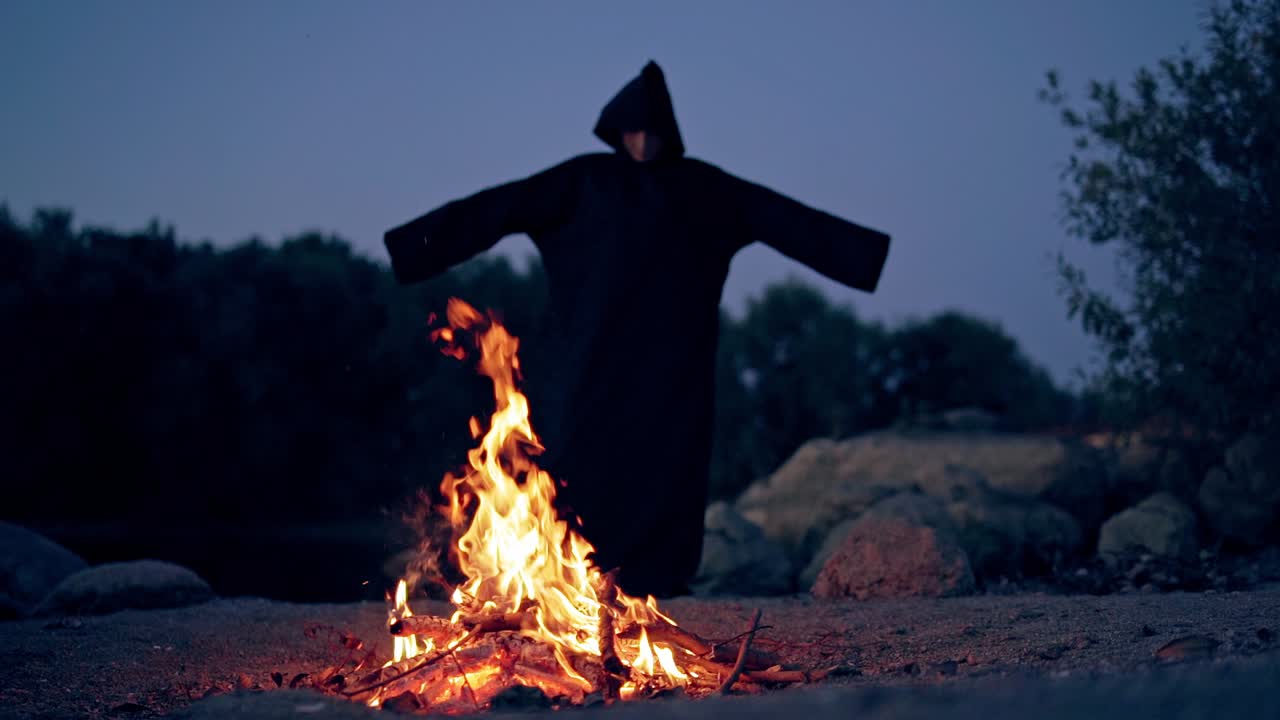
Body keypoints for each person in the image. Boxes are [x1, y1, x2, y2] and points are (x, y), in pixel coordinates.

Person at [385, 60, 890, 597]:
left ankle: (658, 583)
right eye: (635, 130)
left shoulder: (705, 191)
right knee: (575, 467)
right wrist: (415, 248)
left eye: (654, 132)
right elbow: (496, 209)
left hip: (672, 372)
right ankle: (566, 578)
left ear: (670, 133)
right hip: (581, 365)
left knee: (666, 471)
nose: (645, 141)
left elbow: (789, 221)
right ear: (617, 131)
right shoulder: (582, 183)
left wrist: (864, 258)